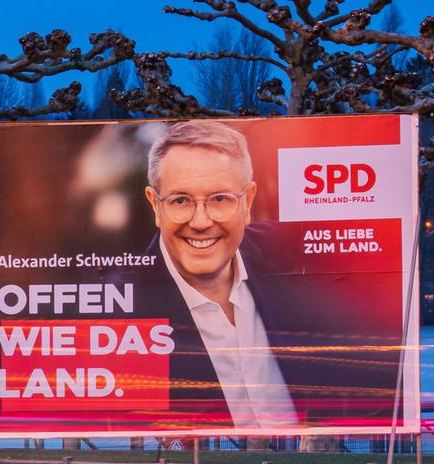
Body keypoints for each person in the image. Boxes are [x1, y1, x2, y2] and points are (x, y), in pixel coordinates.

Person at [121, 120, 398, 429]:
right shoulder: (121, 306)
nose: (200, 221)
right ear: (154, 205)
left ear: (248, 201)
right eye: (181, 200)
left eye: (220, 199)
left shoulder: (300, 257)